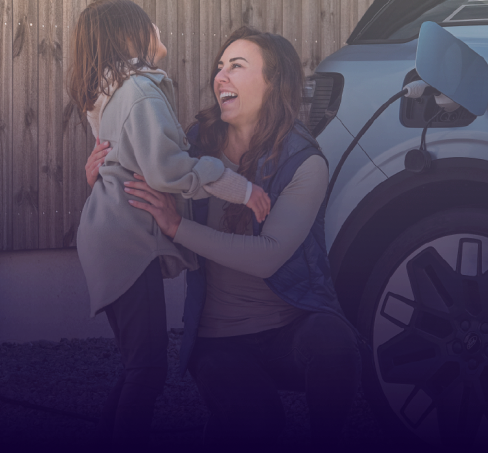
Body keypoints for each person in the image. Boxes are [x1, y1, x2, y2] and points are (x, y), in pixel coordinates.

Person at [106, 27, 361, 449]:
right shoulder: (195, 147)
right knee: (258, 424)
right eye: (219, 67)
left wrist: (179, 227)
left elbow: (268, 257)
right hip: (219, 340)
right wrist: (102, 175)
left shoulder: (305, 162)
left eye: (236, 66)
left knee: (336, 343)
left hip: (291, 328)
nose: (220, 76)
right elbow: (140, 179)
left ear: (273, 82)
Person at [66, 0, 272, 451]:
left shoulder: (111, 94)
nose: (156, 26)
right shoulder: (139, 92)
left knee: (138, 366)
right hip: (124, 242)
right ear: (130, 37)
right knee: (147, 369)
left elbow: (124, 161)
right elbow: (169, 170)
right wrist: (241, 188)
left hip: (109, 235)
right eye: (147, 21)